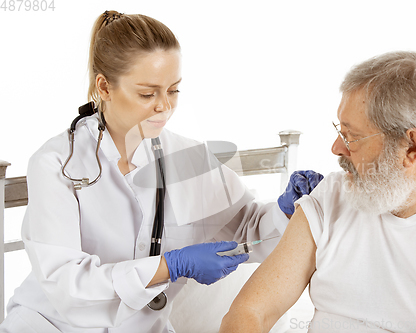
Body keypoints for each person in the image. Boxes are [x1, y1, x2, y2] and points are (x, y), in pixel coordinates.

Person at [0, 10, 323, 333]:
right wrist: (171, 266)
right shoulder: (56, 163)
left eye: (173, 90)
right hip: (50, 325)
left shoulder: (188, 158)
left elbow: (248, 228)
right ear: (104, 87)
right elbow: (67, 285)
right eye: (147, 93)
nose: (164, 106)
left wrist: (284, 210)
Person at [219, 51, 416, 333]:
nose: (337, 148)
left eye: (351, 137)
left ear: (412, 148)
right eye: (339, 131)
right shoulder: (332, 196)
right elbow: (251, 312)